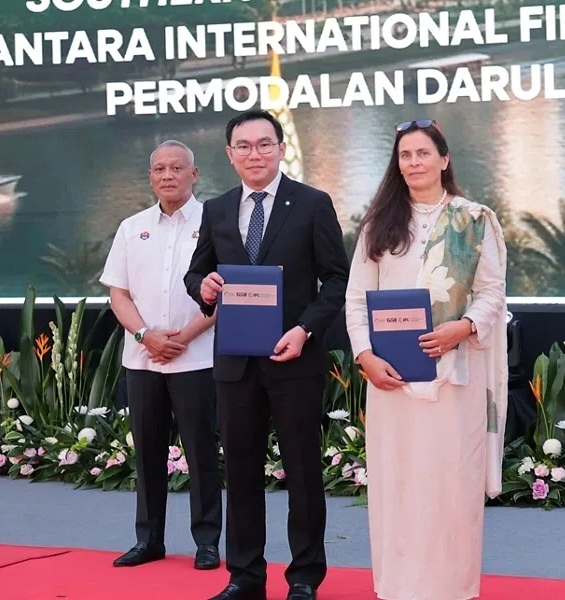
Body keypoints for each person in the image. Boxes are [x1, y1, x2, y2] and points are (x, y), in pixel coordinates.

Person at [184, 110, 350, 600]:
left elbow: (337, 279)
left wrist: (305, 330)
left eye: (263, 144)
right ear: (229, 153)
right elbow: (197, 275)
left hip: (294, 357)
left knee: (302, 471)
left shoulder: (312, 203)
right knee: (240, 469)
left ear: (281, 148)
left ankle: (303, 577)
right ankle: (245, 576)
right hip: (235, 363)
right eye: (243, 145)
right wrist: (206, 287)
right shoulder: (216, 209)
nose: (254, 153)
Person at [344, 119, 509, 600]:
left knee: (451, 487)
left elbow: (492, 293)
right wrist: (364, 356)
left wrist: (464, 327)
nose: (414, 162)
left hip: (453, 378)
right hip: (391, 379)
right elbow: (357, 299)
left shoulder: (473, 220)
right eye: (404, 156)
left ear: (444, 158)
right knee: (398, 486)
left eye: (422, 153)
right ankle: (396, 588)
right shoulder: (379, 225)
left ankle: (454, 589)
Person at [100, 140, 223, 571]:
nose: (167, 175)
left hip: (198, 357)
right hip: (143, 359)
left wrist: (185, 336)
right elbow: (118, 292)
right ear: (150, 176)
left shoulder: (217, 222)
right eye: (158, 169)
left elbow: (227, 293)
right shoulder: (132, 227)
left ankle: (207, 542)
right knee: (148, 451)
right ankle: (149, 540)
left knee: (201, 451)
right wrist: (145, 334)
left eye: (176, 167)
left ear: (195, 174)